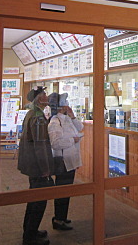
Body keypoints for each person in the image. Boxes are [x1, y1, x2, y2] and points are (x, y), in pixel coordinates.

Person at [17, 86, 54, 245]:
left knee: (34, 198)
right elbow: (40, 146)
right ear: (39, 98)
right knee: (39, 201)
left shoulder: (31, 113)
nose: (46, 96)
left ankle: (30, 231)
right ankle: (30, 237)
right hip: (37, 166)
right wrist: (46, 169)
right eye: (44, 94)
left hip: (31, 164)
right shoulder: (38, 117)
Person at [47, 92, 84, 230]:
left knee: (66, 191)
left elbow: (80, 127)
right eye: (66, 102)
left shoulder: (67, 119)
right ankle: (58, 219)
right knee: (62, 192)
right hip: (63, 162)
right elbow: (55, 143)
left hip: (70, 161)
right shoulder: (55, 122)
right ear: (61, 106)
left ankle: (62, 217)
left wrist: (73, 115)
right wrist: (72, 140)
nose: (68, 103)